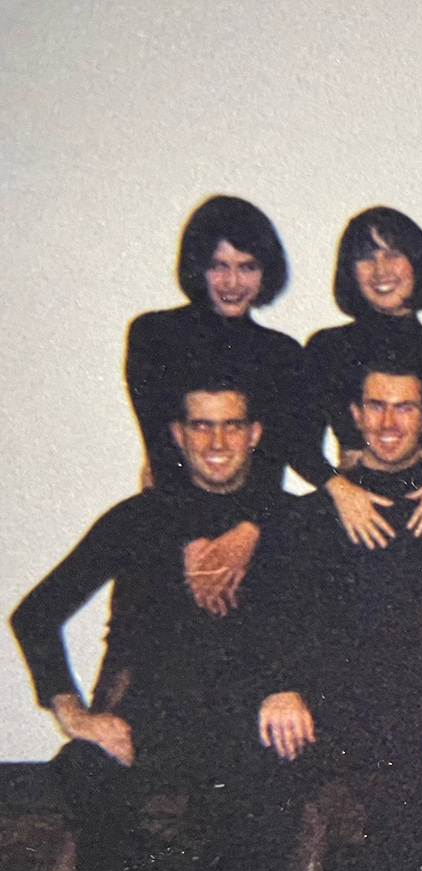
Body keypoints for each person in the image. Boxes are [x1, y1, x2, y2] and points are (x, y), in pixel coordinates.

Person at [11, 380, 293, 871]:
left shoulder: (289, 519)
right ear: (177, 436)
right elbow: (35, 614)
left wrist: (290, 688)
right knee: (86, 769)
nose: (216, 441)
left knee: (270, 772)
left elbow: (325, 623)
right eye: (200, 426)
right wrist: (74, 714)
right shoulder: (136, 519)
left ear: (254, 435)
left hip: (248, 713)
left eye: (230, 426)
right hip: (153, 713)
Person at [255, 361, 422, 871]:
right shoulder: (312, 515)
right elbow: (273, 613)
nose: (390, 421)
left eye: (405, 407)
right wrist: (281, 687)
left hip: (421, 706)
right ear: (356, 416)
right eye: (377, 407)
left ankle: (354, 839)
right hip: (324, 708)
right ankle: (323, 824)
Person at [125, 196, 324, 616]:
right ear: (199, 268)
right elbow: (160, 446)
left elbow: (275, 460)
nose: (233, 282)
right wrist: (191, 540)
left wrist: (249, 534)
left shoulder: (283, 354)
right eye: (220, 265)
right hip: (171, 518)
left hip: (254, 531)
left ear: (265, 271)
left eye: (247, 266)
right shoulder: (153, 334)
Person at [304, 206, 422, 549]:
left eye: (393, 255)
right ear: (350, 271)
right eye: (367, 258)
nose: (380, 270)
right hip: (354, 513)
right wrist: (339, 491)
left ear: (417, 264)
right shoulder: (327, 348)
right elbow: (299, 444)